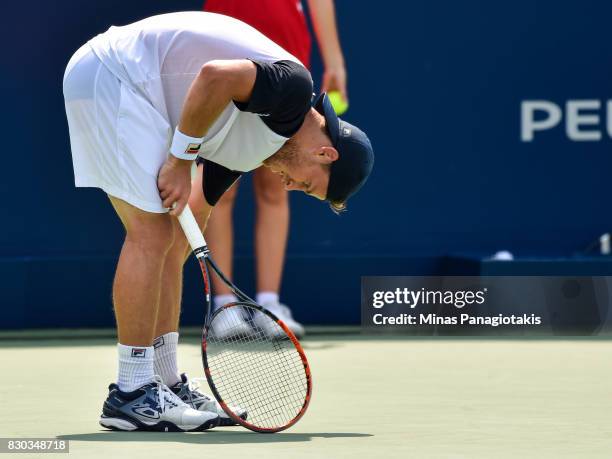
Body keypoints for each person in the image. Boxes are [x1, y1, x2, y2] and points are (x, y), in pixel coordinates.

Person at [63, 11, 373, 432]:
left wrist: (181, 241)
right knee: (149, 234)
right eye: (308, 186)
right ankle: (131, 392)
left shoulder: (252, 148)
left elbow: (185, 232)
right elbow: (214, 76)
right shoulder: (293, 89)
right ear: (326, 154)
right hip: (116, 73)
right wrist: (179, 159)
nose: (290, 187)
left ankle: (167, 383)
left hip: (130, 87)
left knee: (168, 243)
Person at [203, 0, 348, 336]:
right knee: (220, 187)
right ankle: (223, 306)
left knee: (276, 183)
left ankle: (269, 303)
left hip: (285, 41)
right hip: (226, 30)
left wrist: (335, 57)